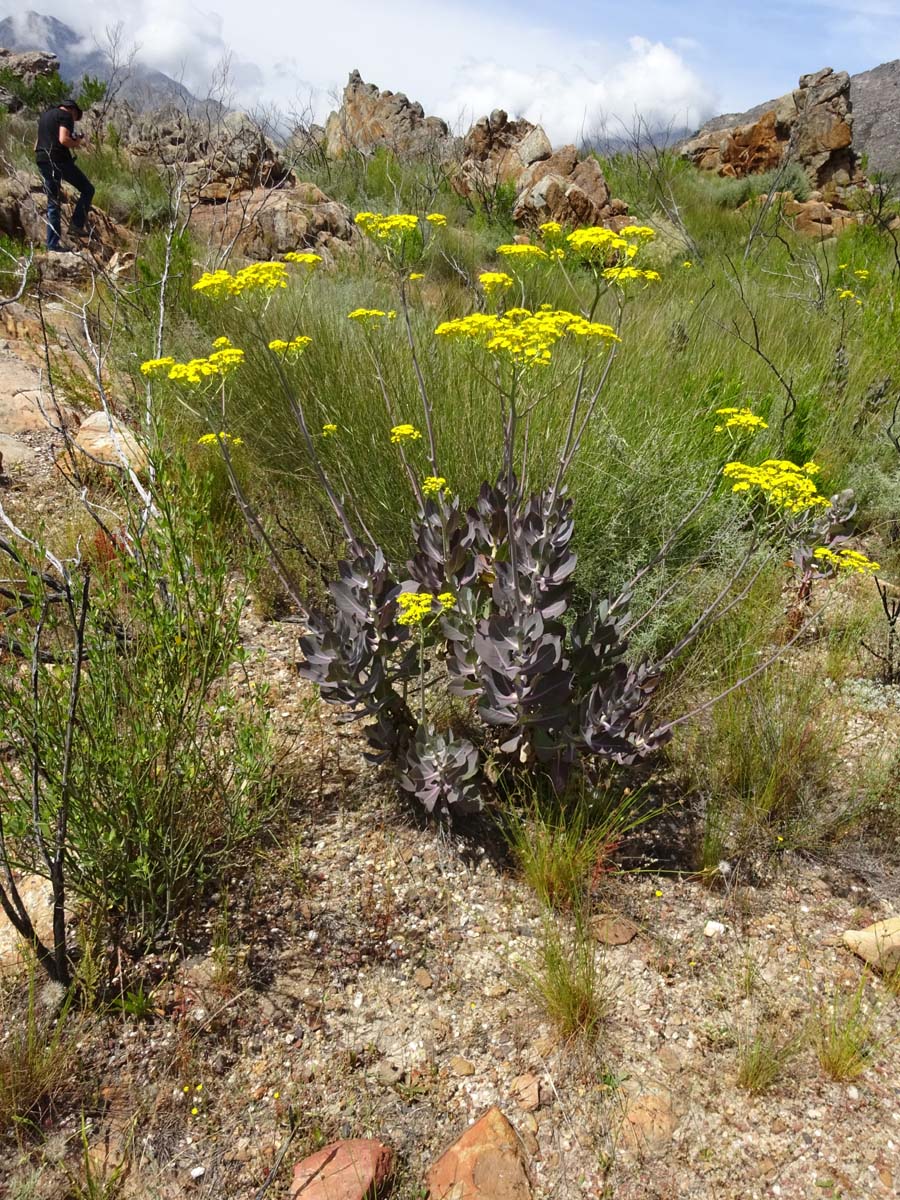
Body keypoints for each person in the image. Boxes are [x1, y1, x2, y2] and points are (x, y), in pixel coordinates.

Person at [33, 99, 95, 252]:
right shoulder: (65, 116)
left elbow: (36, 144)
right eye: (75, 117)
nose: (73, 120)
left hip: (42, 159)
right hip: (58, 160)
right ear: (72, 110)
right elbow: (63, 139)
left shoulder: (45, 116)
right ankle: (76, 225)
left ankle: (52, 244)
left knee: (53, 203)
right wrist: (78, 142)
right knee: (88, 189)